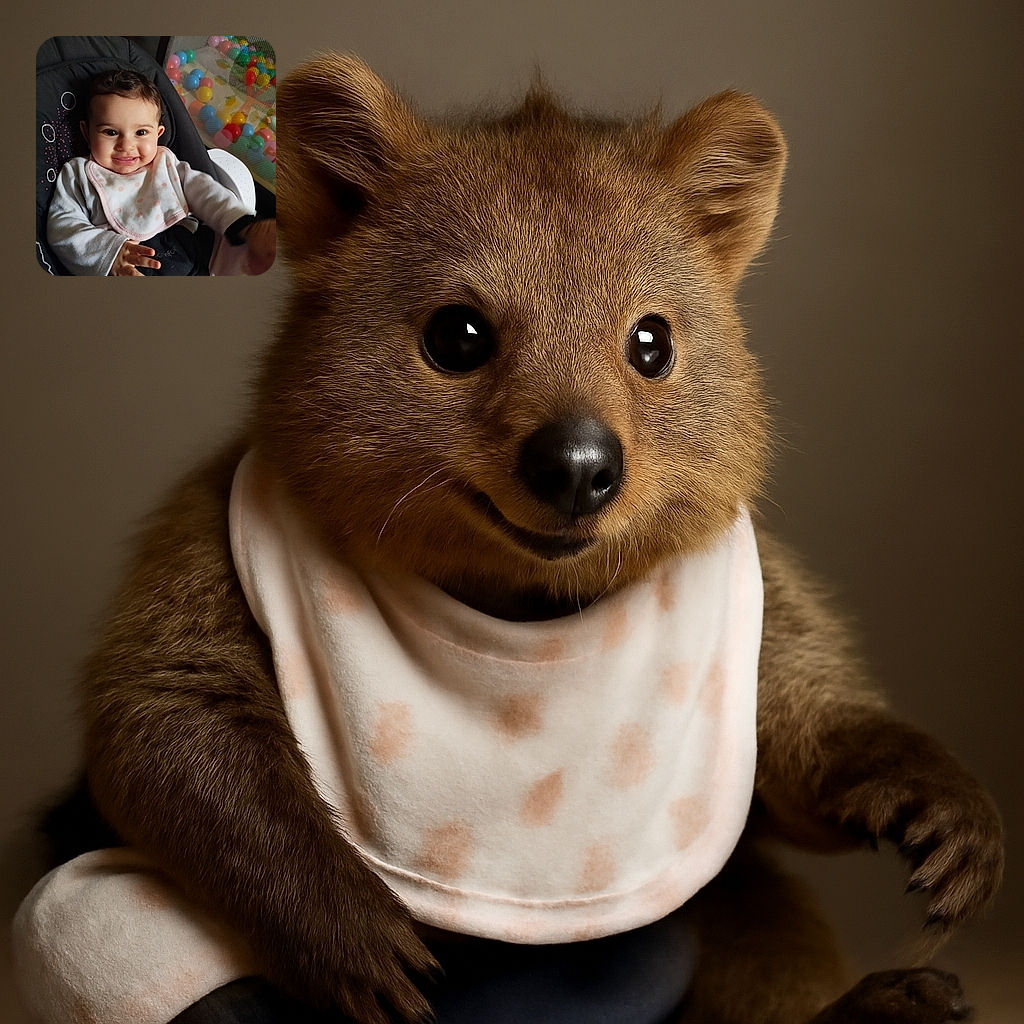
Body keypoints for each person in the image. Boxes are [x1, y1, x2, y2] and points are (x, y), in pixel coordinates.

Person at [47, 68, 275, 276]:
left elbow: (202, 190)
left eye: (141, 132)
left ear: (158, 134)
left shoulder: (164, 162)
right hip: (127, 262)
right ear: (87, 133)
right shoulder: (78, 173)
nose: (126, 145)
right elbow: (63, 227)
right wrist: (110, 254)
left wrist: (239, 222)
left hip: (187, 250)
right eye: (110, 132)